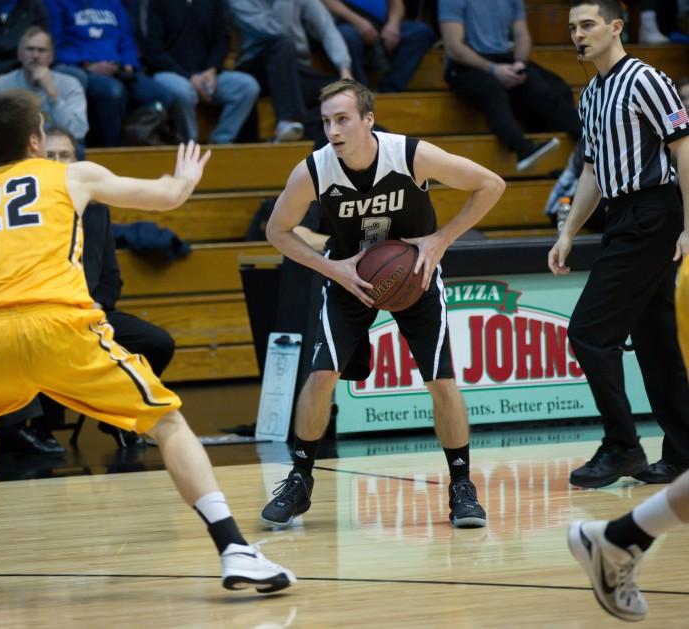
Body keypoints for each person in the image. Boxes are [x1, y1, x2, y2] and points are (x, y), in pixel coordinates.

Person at [0, 89, 296, 601]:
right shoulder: (70, 174)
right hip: (62, 327)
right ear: (36, 140)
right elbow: (166, 198)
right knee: (166, 422)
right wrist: (184, 179)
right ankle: (233, 547)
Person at [261, 79, 505, 528]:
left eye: (343, 119)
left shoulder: (410, 155)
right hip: (349, 277)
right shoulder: (314, 171)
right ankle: (299, 479)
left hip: (414, 275)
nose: (333, 130)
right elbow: (276, 231)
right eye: (326, 121)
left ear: (367, 120)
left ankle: (461, 486)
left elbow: (491, 184)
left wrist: (440, 240)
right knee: (321, 376)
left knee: (442, 382)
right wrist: (331, 268)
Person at [548, 0, 689, 488]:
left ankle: (623, 445)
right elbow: (590, 170)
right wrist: (567, 231)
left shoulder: (647, 79)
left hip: (654, 213)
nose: (578, 34)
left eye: (587, 25)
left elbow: (683, 147)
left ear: (615, 27)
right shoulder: (589, 96)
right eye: (571, 28)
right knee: (656, 342)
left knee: (588, 332)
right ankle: (683, 453)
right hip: (620, 216)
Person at [0, 127, 177, 453]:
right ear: (36, 159)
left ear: (76, 160)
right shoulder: (27, 213)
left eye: (63, 155)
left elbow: (111, 277)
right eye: (49, 155)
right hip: (46, 313)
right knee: (47, 341)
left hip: (93, 313)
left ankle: (118, 418)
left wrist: (98, 304)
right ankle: (40, 427)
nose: (56, 161)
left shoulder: (96, 209)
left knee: (158, 343)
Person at [566, 256, 689, 623]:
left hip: (657, 238)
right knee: (588, 331)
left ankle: (620, 538)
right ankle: (623, 451)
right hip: (647, 230)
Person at [438, 0, 582, 172]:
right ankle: (523, 149)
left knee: (555, 87)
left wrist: (519, 63)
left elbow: (522, 35)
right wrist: (493, 70)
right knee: (491, 90)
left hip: (505, 60)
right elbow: (454, 47)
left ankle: (592, 142)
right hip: (465, 66)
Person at [46, 0, 177, 148]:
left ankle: (132, 140)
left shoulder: (113, 3)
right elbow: (54, 46)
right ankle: (111, 151)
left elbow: (126, 38)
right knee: (112, 92)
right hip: (86, 70)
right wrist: (86, 64)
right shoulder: (57, 3)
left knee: (162, 96)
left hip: (119, 69)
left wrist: (129, 63)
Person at [227, 0, 354, 143]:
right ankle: (288, 120)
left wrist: (344, 68)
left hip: (294, 69)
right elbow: (278, 30)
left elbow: (327, 29)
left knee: (338, 91)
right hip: (256, 67)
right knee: (283, 45)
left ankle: (304, 127)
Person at [142, 0, 259, 145]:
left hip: (206, 75)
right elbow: (153, 51)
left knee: (247, 86)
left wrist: (212, 70)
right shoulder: (157, 3)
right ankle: (191, 145)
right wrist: (188, 76)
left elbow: (222, 40)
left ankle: (221, 141)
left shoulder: (214, 3)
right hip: (168, 73)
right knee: (184, 91)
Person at [0, 25, 89, 148]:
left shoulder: (70, 84)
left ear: (51, 56)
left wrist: (53, 95)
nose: (35, 55)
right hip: (17, 150)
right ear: (19, 54)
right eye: (30, 49)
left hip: (56, 149)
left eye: (42, 50)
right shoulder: (2, 86)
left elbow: (78, 132)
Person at [323, 0, 438, 93]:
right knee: (346, 36)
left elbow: (396, 3)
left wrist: (393, 24)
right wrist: (358, 22)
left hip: (381, 24)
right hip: (346, 22)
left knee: (421, 32)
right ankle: (360, 92)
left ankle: (390, 90)